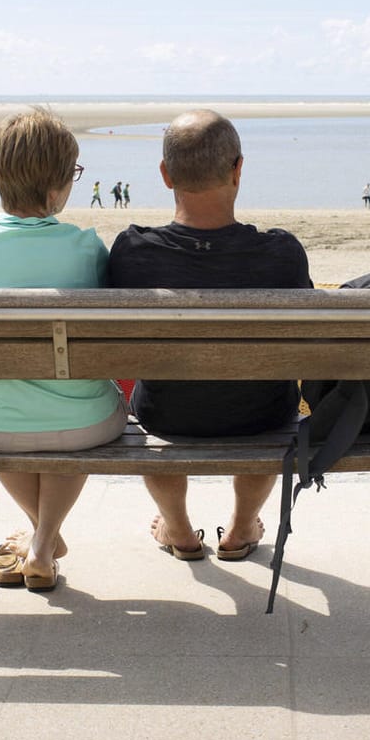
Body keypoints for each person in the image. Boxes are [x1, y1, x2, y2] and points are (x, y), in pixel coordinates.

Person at [109, 109, 312, 561]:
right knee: (270, 394)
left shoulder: (133, 252)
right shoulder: (281, 254)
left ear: (165, 175)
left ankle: (178, 531)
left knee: (157, 396)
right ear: (238, 168)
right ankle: (241, 529)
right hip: (262, 416)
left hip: (166, 416)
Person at [0, 108, 124, 591]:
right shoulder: (85, 247)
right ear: (58, 189)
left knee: (17, 413)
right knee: (65, 410)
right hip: (87, 425)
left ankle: (44, 538)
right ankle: (43, 543)